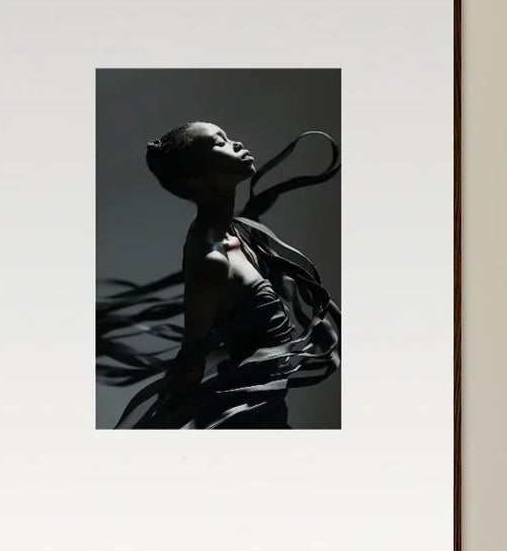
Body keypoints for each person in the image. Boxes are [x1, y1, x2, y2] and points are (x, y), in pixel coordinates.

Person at [97, 122, 341, 429]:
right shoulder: (212, 259)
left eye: (229, 136)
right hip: (250, 415)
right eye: (220, 143)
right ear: (198, 179)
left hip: (266, 401)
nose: (236, 143)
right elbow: (192, 355)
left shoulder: (237, 232)